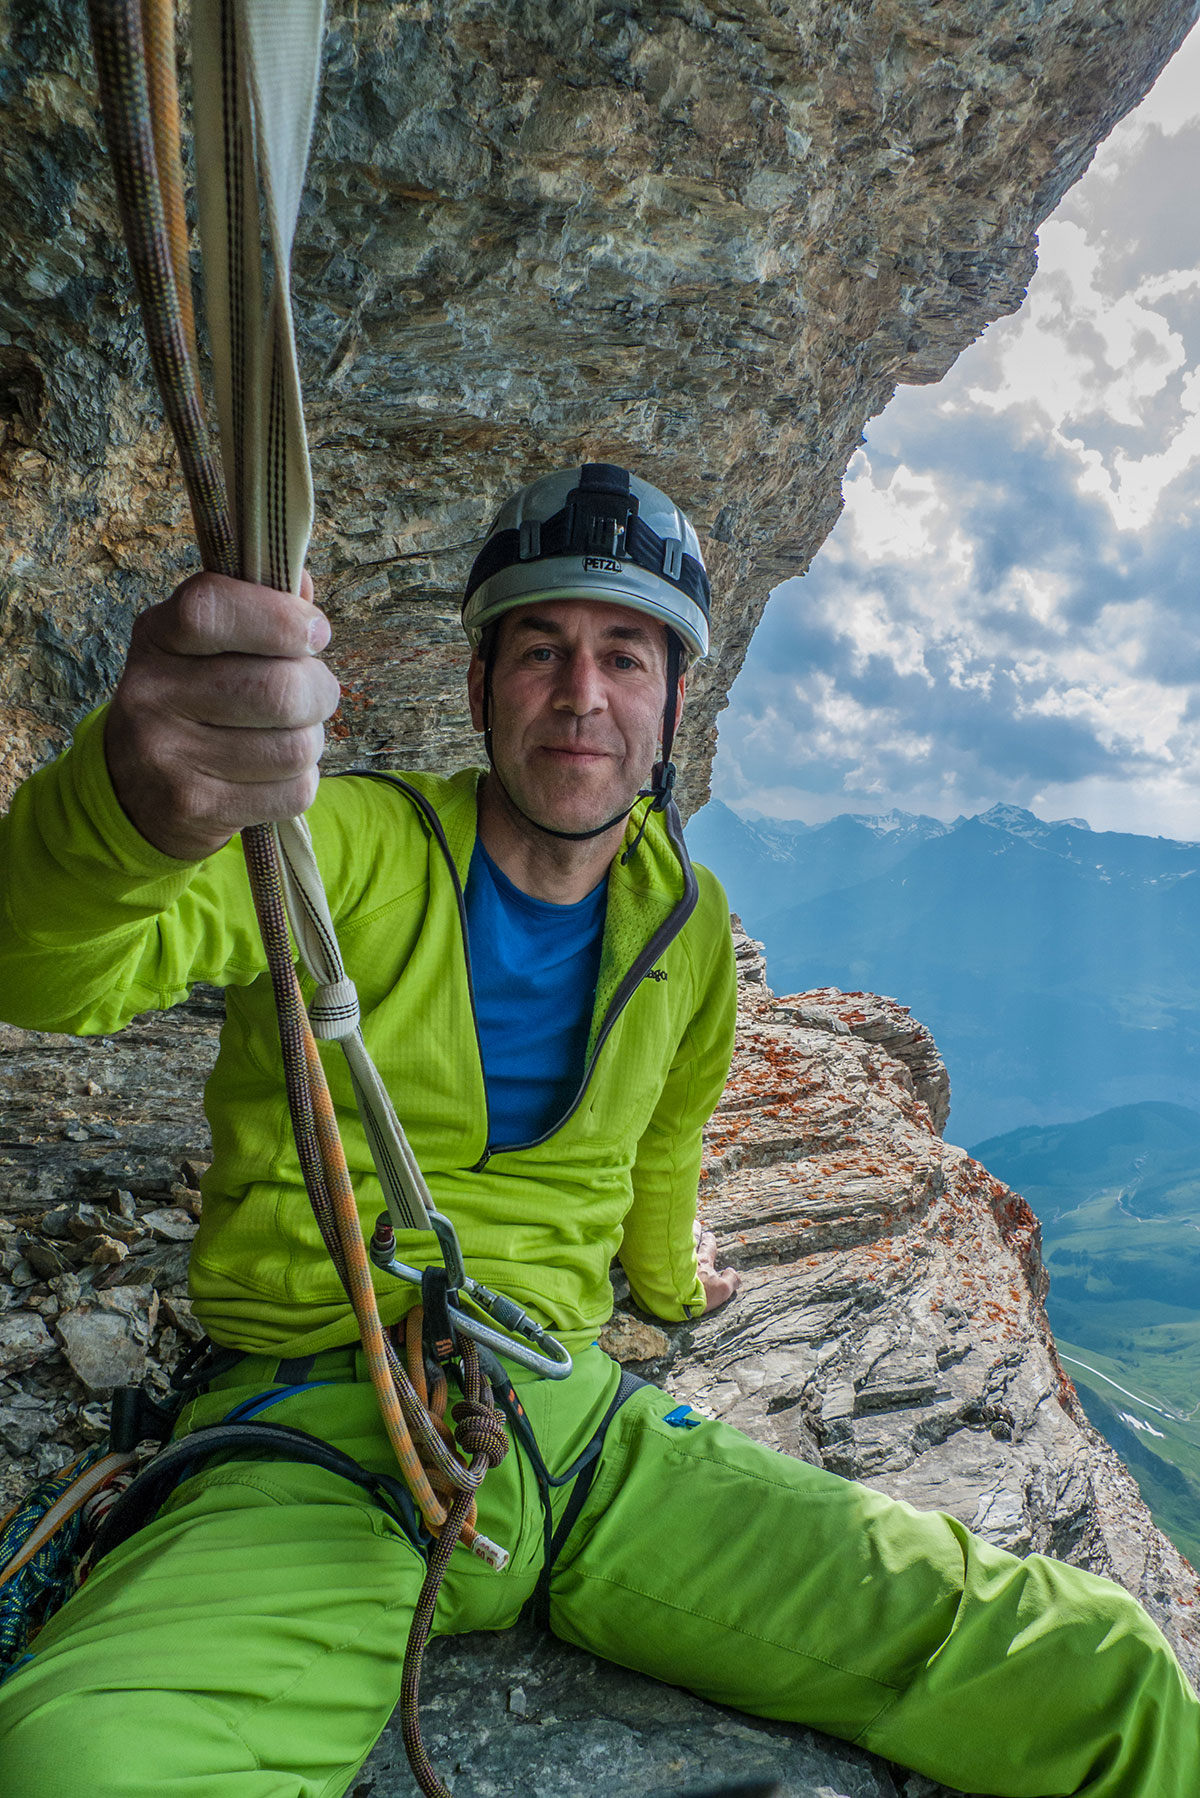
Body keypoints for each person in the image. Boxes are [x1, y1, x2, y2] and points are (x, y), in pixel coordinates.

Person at [0, 465, 1195, 1797]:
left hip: (573, 1427)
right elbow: (47, 972)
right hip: (327, 1424)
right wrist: (127, 800)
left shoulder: (683, 926)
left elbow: (660, 1156)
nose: (583, 695)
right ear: (478, 689)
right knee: (78, 1763)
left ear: (676, 699)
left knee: (1105, 1670)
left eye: (626, 656)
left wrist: (678, 1279)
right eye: (542, 651)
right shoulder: (337, 850)